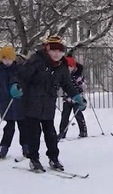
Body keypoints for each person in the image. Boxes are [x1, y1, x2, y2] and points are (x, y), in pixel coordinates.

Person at [17, 35, 85, 172]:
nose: (56, 54)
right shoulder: (36, 60)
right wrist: (16, 85)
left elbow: (67, 84)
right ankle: (34, 159)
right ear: (47, 50)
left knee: (51, 133)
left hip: (48, 103)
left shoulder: (62, 66)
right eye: (53, 50)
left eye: (60, 51)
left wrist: (77, 97)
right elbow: (21, 75)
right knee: (34, 133)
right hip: (32, 102)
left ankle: (53, 158)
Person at [0, 45, 24, 160]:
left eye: (9, 59)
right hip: (6, 103)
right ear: (0, 59)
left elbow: (26, 83)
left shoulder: (20, 69)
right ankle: (4, 148)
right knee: (9, 128)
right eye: (4, 59)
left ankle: (26, 148)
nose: (7, 61)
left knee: (24, 127)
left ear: (13, 59)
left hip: (20, 103)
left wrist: (20, 89)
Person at [57, 49, 88, 139]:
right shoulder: (63, 76)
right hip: (67, 99)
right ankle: (62, 132)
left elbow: (83, 86)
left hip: (77, 98)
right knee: (65, 115)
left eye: (70, 67)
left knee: (78, 114)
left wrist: (81, 86)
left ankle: (83, 131)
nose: (68, 69)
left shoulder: (77, 76)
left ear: (73, 67)